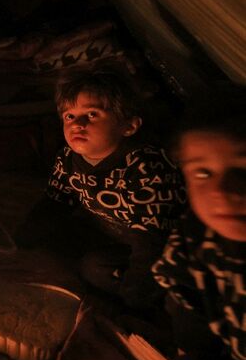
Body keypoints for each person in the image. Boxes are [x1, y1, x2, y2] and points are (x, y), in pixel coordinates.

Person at [14, 70, 187, 309]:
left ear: (128, 126)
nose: (77, 124)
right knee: (50, 242)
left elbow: (151, 243)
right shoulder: (68, 157)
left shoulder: (146, 169)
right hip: (107, 228)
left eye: (92, 114)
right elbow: (57, 200)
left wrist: (134, 296)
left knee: (95, 268)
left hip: (154, 244)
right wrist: (21, 238)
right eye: (69, 116)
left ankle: (153, 301)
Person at [152, 90, 245, 360]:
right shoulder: (196, 235)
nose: (222, 190)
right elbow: (184, 298)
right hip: (230, 357)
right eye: (202, 173)